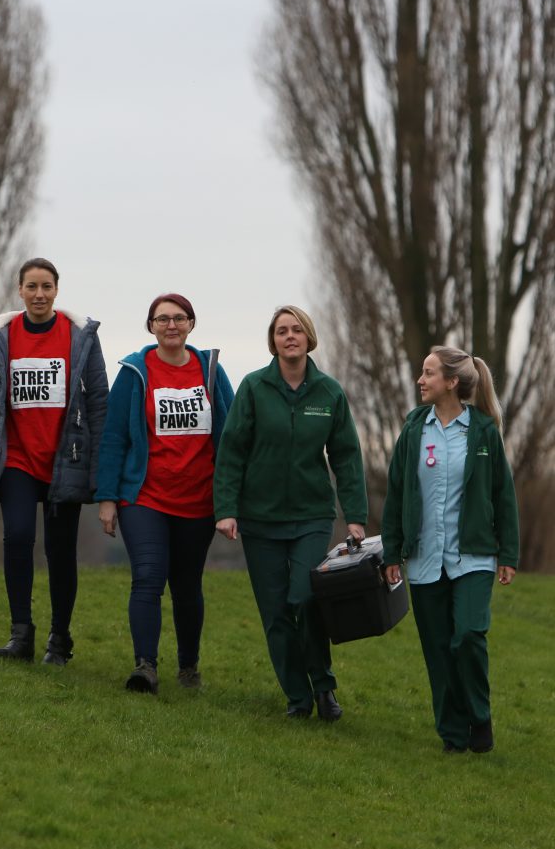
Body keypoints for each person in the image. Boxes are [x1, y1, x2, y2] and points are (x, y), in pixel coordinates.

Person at [214, 305, 367, 721]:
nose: (289, 336)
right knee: (276, 611)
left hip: (311, 517)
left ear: (309, 337)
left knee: (305, 598)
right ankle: (297, 697)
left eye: (296, 329)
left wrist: (354, 516)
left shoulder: (329, 393)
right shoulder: (253, 388)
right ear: (273, 341)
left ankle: (324, 686)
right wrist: (226, 509)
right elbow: (231, 452)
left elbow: (347, 457)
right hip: (260, 519)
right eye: (281, 331)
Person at [0, 258, 108, 665]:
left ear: (57, 290)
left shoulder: (80, 337)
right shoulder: (0, 338)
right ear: (20, 290)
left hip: (66, 460)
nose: (39, 294)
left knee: (60, 552)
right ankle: (20, 634)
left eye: (46, 286)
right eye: (31, 287)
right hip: (17, 460)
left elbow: (99, 404)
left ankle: (59, 639)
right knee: (19, 537)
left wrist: (99, 470)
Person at [381, 346, 519, 754]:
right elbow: (396, 493)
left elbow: (503, 495)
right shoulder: (412, 429)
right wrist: (392, 552)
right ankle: (453, 735)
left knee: (468, 636)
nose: (420, 381)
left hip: (473, 557)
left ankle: (480, 715)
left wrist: (507, 553)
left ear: (452, 382)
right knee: (439, 651)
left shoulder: (483, 432)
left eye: (428, 373)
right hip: (424, 558)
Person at [96, 294, 234, 694]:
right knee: (148, 578)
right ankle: (146, 667)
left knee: (187, 585)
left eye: (179, 318)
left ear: (191, 323)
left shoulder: (210, 371)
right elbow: (113, 439)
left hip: (198, 500)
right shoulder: (134, 372)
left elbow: (231, 435)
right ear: (151, 326)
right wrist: (107, 497)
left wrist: (231, 498)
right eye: (162, 319)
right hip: (145, 498)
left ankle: (189, 667)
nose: (171, 325)